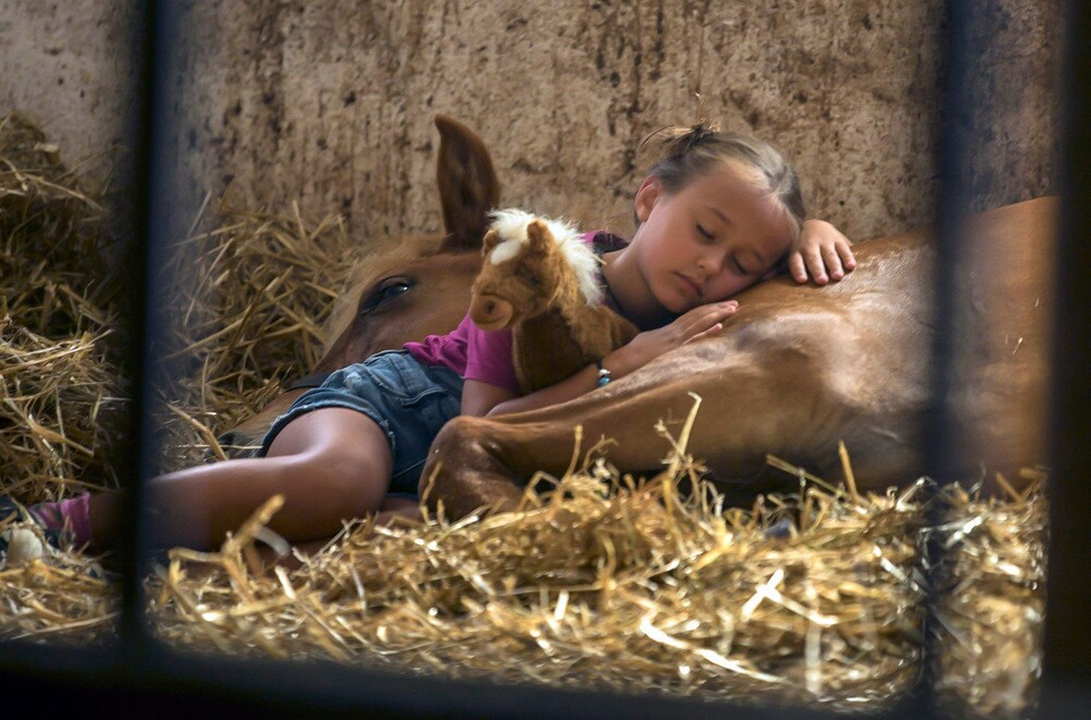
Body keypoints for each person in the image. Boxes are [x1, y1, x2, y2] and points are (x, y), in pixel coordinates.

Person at [5, 124, 855, 554]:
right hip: (399, 409)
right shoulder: (536, 265)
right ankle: (51, 526)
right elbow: (484, 421)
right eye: (704, 231)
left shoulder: (698, 319)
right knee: (333, 482)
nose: (714, 268)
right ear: (646, 200)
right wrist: (623, 368)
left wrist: (812, 235)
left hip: (473, 458)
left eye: (744, 261)